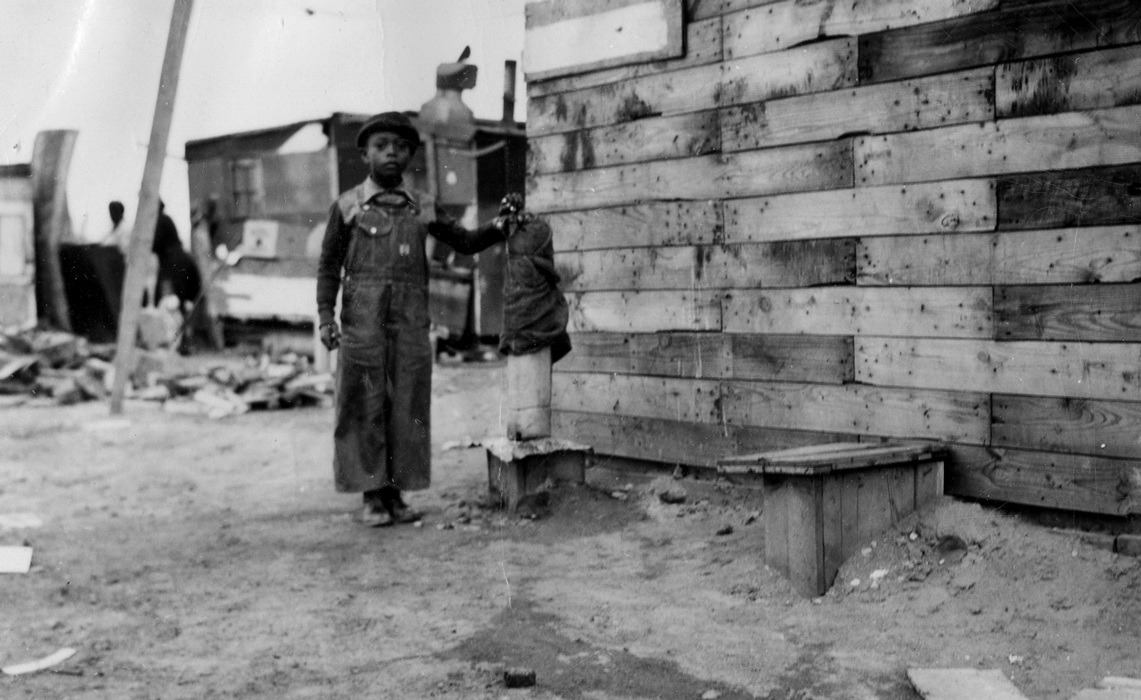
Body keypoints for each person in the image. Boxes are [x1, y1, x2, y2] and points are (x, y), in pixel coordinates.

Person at [316, 111, 513, 527]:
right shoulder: (347, 206)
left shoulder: (423, 206)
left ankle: (397, 495)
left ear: (410, 155)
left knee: (406, 404)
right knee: (364, 403)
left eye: (401, 147)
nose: (392, 153)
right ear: (366, 153)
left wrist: (500, 227)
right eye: (382, 146)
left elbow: (464, 241)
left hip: (409, 323)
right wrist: (324, 317)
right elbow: (329, 267)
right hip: (361, 324)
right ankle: (372, 496)